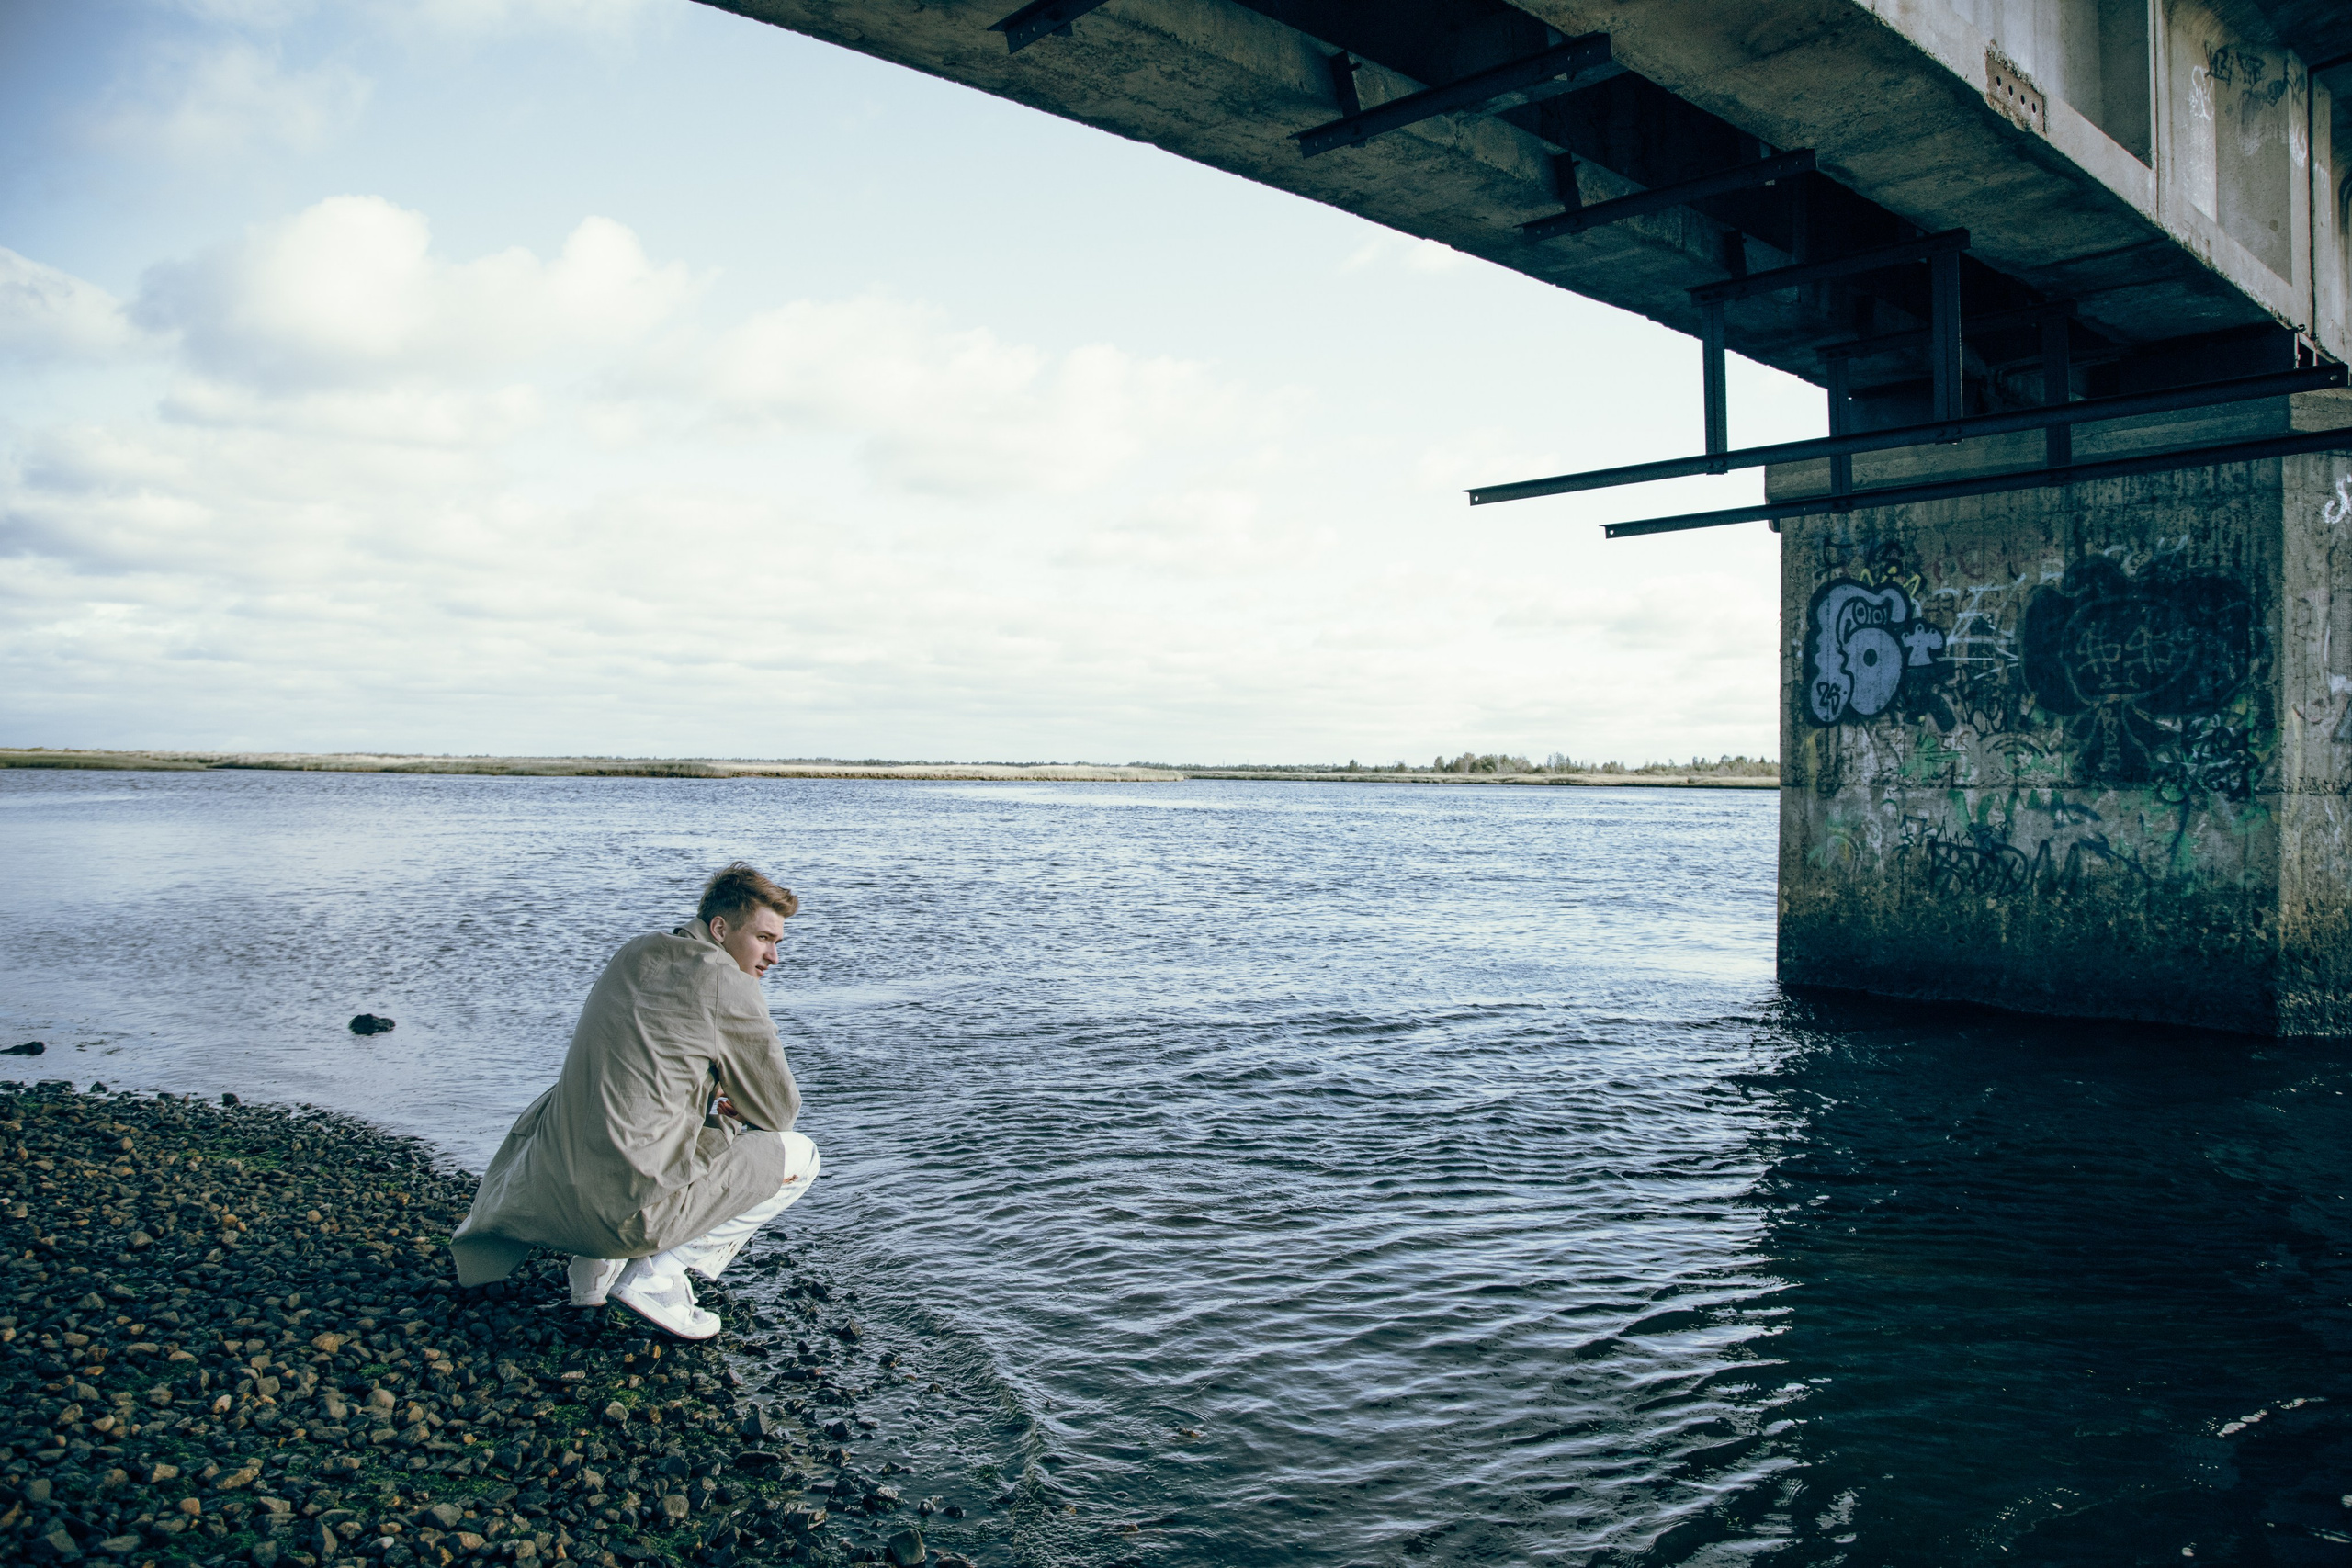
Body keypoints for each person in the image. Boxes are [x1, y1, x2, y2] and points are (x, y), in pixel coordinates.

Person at [448, 863, 820, 1339]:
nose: (773, 956)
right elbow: (778, 1112)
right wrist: (729, 1101)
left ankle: (590, 1276)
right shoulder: (727, 980)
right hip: (621, 1217)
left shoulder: (634, 953)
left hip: (546, 1204)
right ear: (720, 929)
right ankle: (658, 1277)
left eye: (778, 943)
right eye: (764, 938)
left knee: (622, 1105)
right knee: (799, 1155)